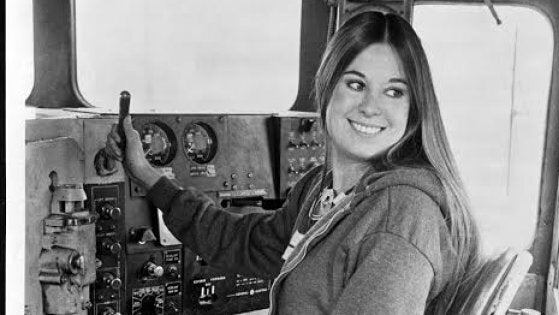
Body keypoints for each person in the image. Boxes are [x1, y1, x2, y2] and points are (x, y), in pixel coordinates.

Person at [106, 11, 481, 314]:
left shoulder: (401, 215)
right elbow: (248, 243)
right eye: (356, 84)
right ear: (327, 87)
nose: (371, 106)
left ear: (413, 111)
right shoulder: (325, 191)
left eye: (394, 91)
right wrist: (148, 176)